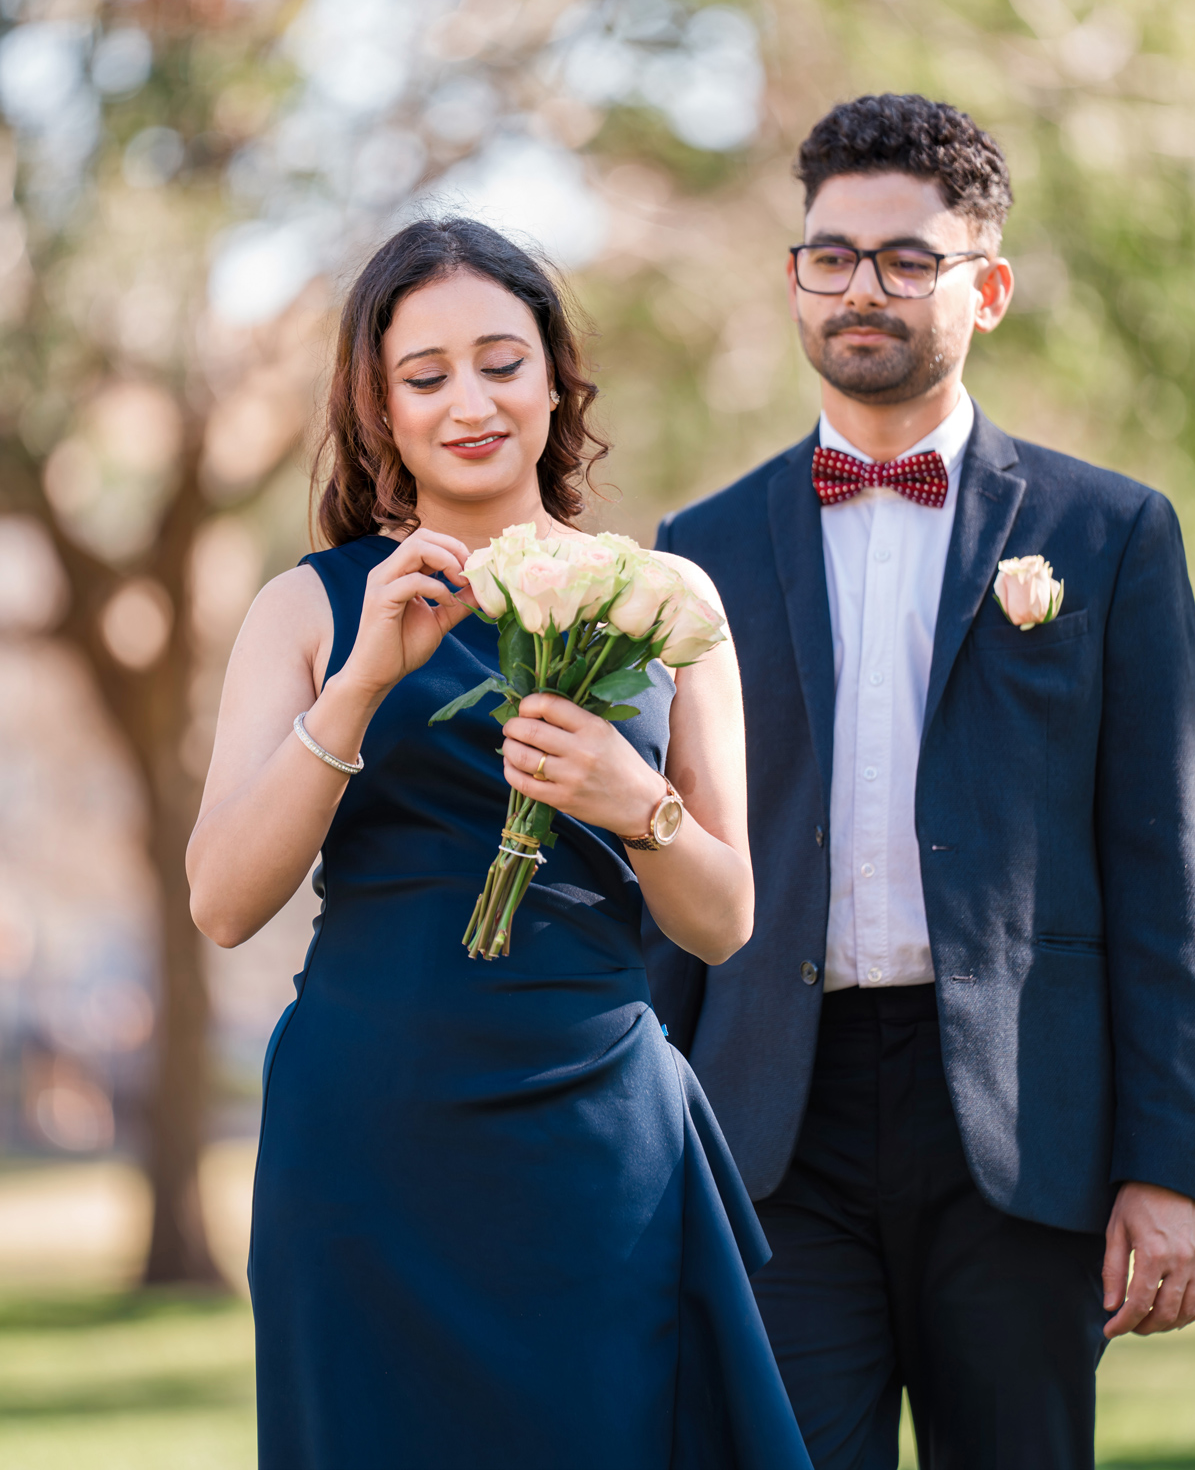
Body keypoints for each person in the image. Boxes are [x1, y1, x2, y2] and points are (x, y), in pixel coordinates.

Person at [186, 217, 811, 1470]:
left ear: (555, 380)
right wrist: (357, 687)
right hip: (369, 1134)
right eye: (425, 377)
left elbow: (725, 918)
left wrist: (637, 803)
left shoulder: (667, 601)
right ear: (379, 411)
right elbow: (222, 901)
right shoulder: (306, 606)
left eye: (501, 362)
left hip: (594, 1139)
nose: (469, 402)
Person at [649, 94, 1195, 1470]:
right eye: (831, 256)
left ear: (987, 288)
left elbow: (1163, 867)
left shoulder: (1113, 534)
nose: (862, 289)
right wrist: (643, 1139)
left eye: (907, 259)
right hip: (775, 1119)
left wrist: (1173, 1165)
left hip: (1023, 1128)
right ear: (795, 279)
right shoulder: (696, 545)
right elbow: (676, 857)